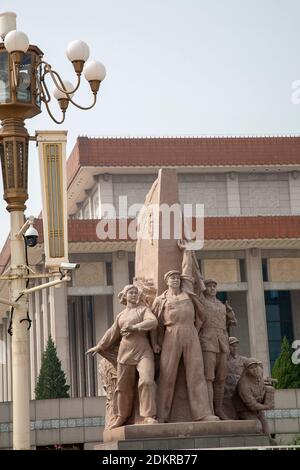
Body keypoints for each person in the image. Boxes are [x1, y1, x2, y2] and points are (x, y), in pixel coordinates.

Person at [151, 241, 218, 423]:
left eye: (177, 278)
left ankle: (203, 413)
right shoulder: (161, 300)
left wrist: (186, 251)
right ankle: (161, 415)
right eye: (172, 278)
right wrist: (156, 343)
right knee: (167, 374)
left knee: (196, 372)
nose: (176, 280)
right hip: (171, 335)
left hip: (190, 333)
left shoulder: (187, 293)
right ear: (166, 281)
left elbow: (187, 271)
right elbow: (155, 323)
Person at [86, 284, 158, 428]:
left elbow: (153, 322)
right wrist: (100, 346)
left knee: (147, 381)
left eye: (136, 293)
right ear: (125, 296)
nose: (134, 295)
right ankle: (121, 416)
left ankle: (148, 415)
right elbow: (112, 333)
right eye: (131, 293)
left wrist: (135, 327)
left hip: (143, 351)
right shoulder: (121, 315)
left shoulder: (143, 310)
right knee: (122, 387)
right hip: (125, 353)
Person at [197, 279, 237, 420]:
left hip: (222, 343)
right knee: (208, 378)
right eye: (209, 286)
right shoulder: (201, 301)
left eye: (214, 286)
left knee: (221, 379)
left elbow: (232, 322)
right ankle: (209, 411)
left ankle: (219, 409)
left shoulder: (221, 305)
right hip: (207, 342)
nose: (212, 288)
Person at [234, 358, 273, 434]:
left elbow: (263, 390)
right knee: (258, 427)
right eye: (251, 368)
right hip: (245, 410)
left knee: (267, 430)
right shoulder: (243, 384)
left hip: (258, 410)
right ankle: (257, 445)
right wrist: (266, 407)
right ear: (246, 370)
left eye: (256, 366)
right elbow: (252, 405)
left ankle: (268, 443)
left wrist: (268, 395)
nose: (255, 369)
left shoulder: (259, 377)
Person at [223, 337, 248, 419]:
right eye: (232, 346)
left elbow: (256, 364)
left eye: (236, 346)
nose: (234, 348)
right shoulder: (224, 359)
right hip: (227, 389)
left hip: (240, 388)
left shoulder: (243, 360)